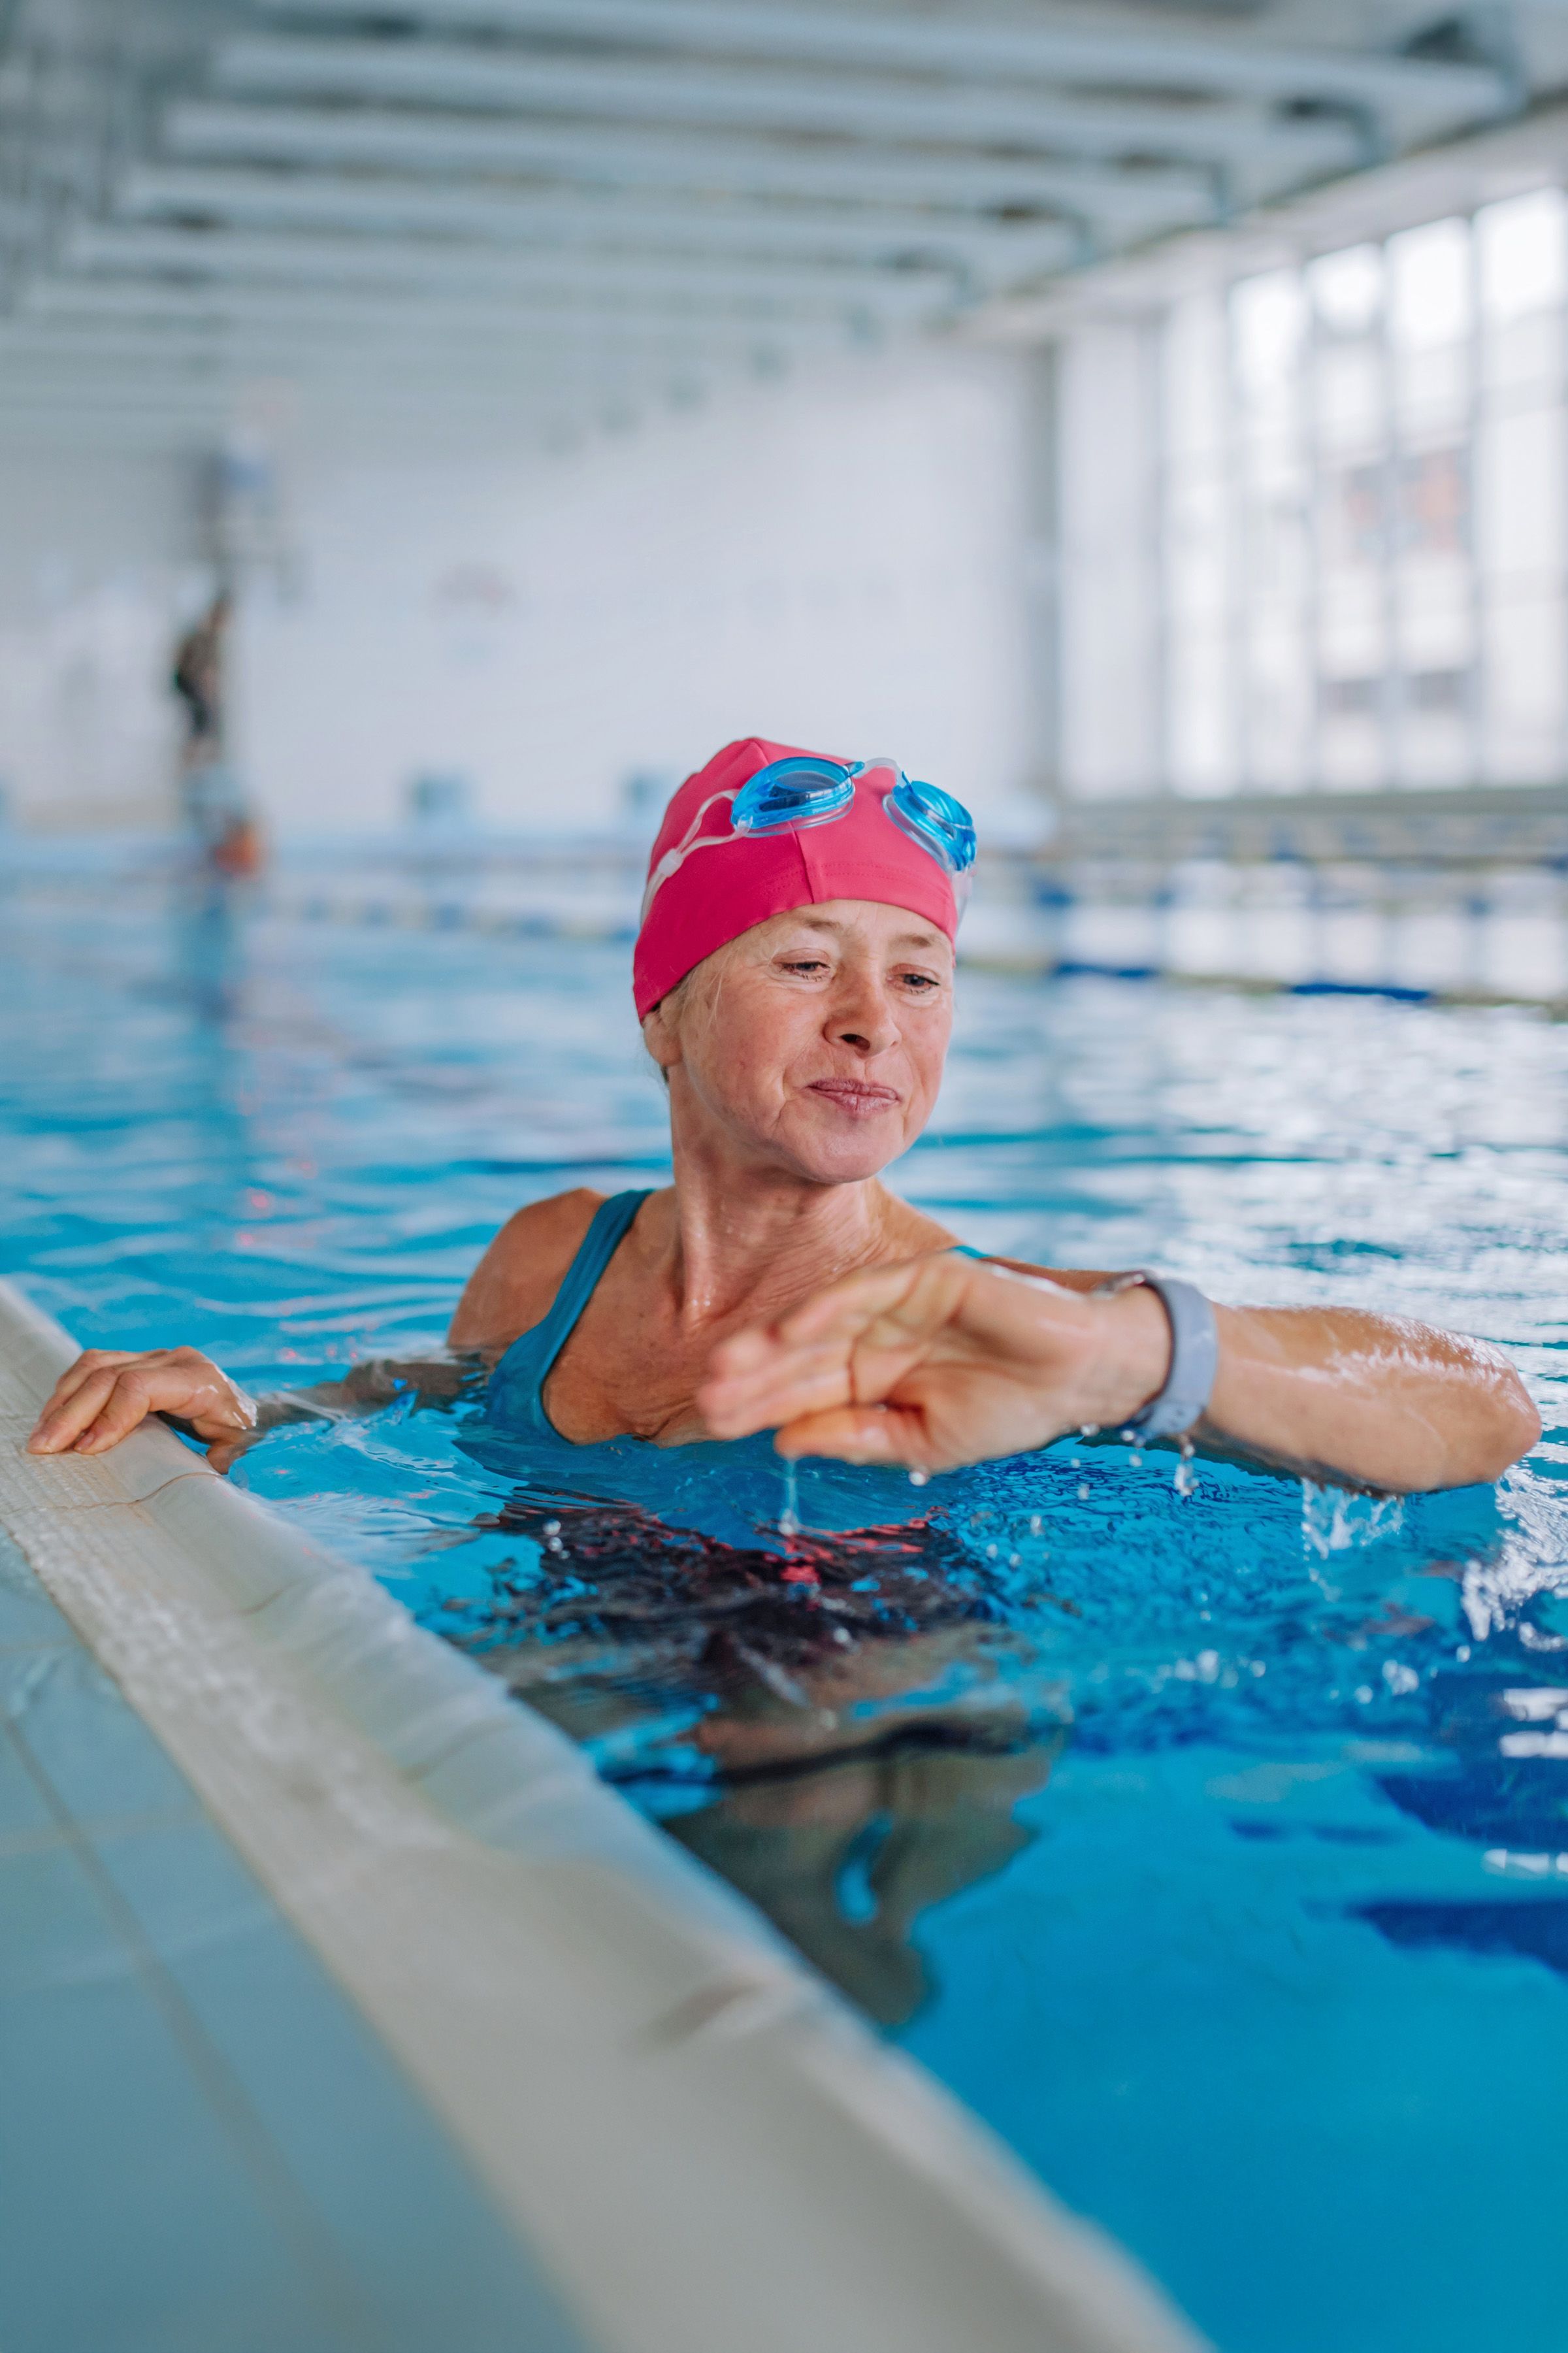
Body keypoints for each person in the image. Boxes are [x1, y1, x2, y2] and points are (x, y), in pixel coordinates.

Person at [27, 736, 1539, 1494]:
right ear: (665, 1011)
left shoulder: (966, 1312)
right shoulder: (550, 1257)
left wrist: (1133, 1352)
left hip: (867, 1755)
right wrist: (265, 1416)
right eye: (809, 963)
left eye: (924, 977)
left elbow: (1486, 1404)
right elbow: (433, 1388)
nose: (875, 1022)